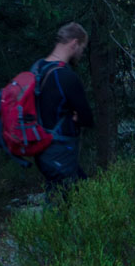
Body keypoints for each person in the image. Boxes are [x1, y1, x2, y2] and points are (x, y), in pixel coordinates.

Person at [34, 22, 94, 194]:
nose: (82, 53)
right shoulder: (66, 76)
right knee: (63, 204)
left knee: (73, 194)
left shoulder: (38, 68)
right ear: (74, 44)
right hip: (60, 152)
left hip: (42, 150)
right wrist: (76, 117)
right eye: (82, 48)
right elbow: (87, 118)